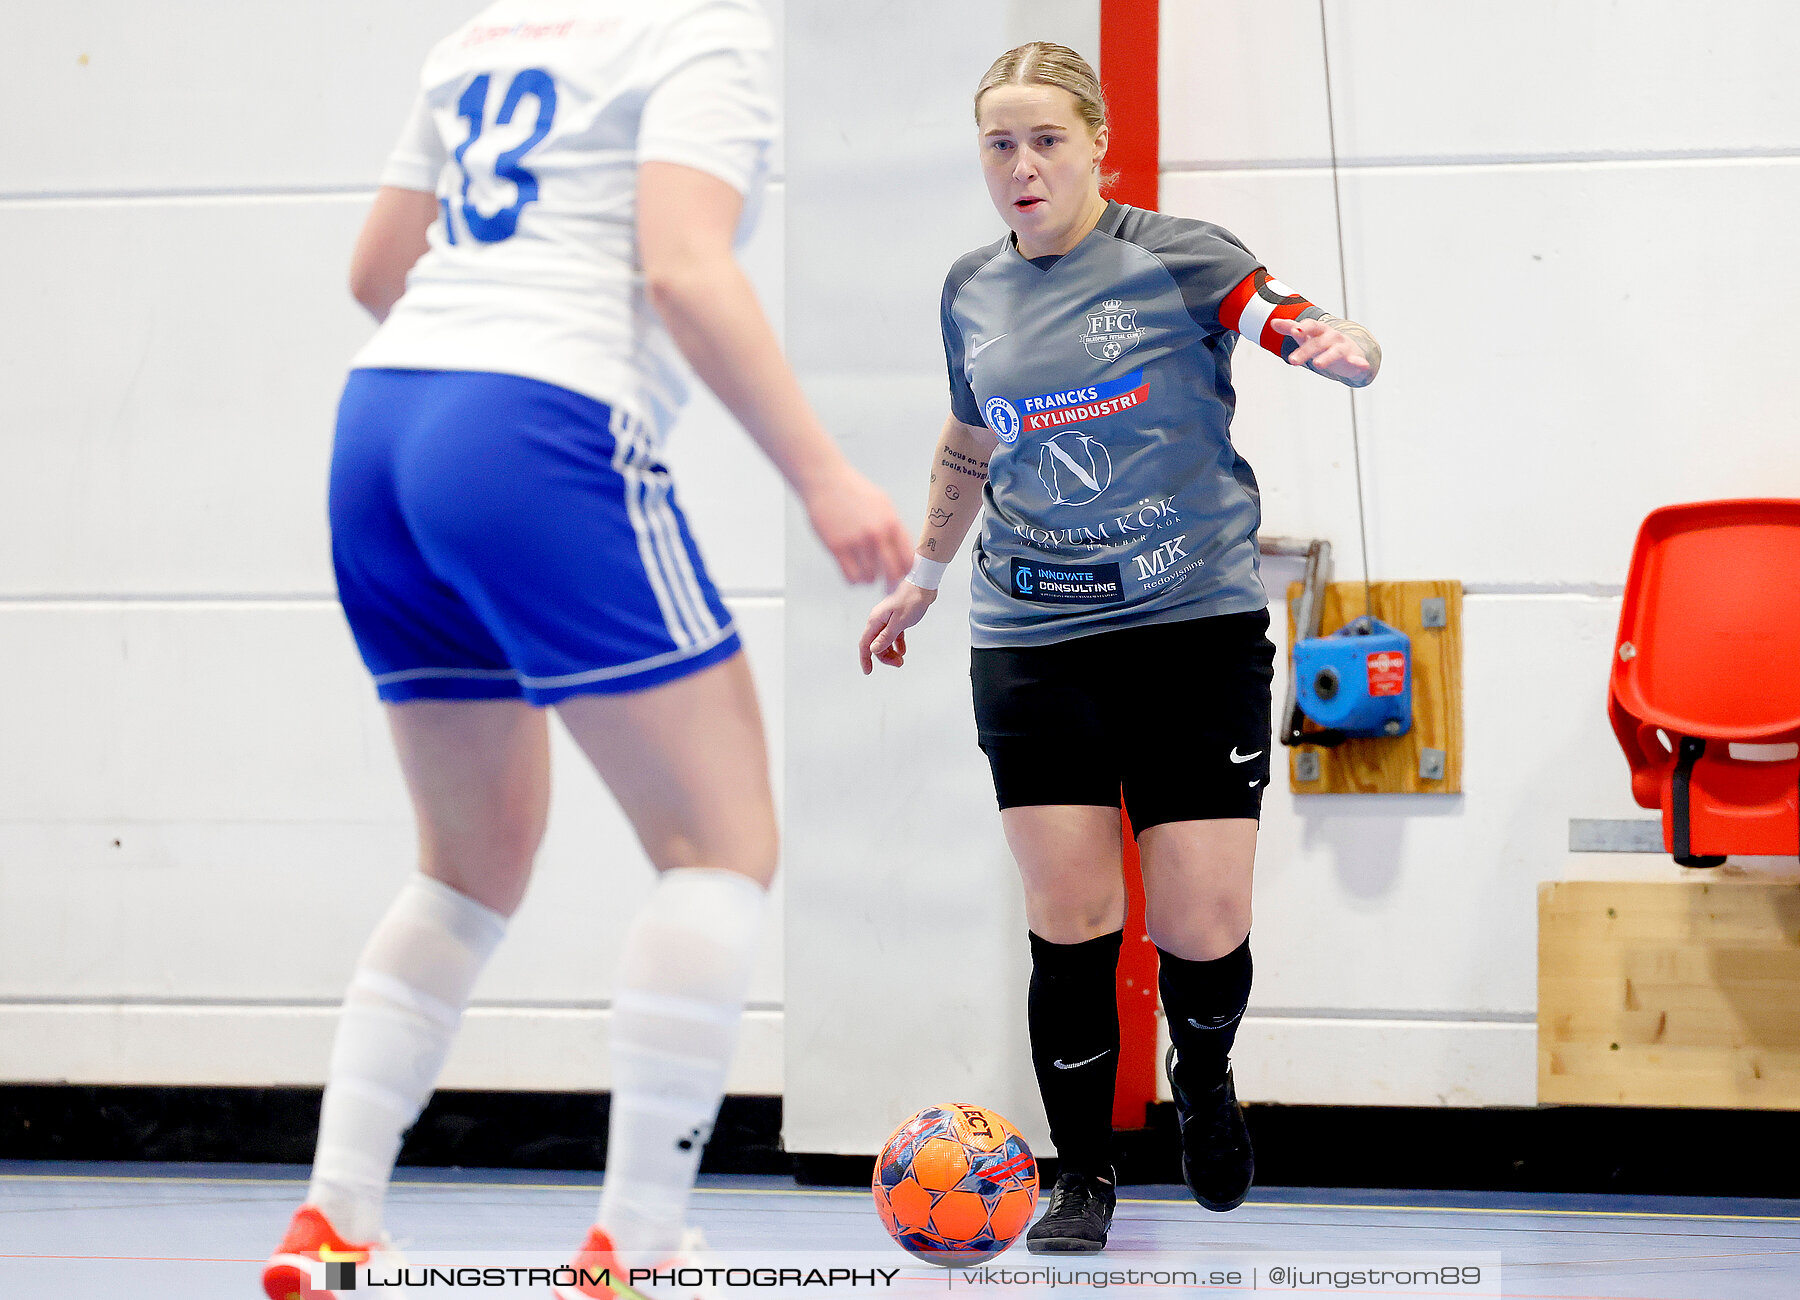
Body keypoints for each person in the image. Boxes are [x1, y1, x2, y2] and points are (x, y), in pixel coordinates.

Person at [262, 3, 912, 1297]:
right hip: (533, 429)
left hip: (382, 424)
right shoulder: (697, 40)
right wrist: (825, 475)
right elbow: (686, 268)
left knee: (468, 864)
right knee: (721, 846)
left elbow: (375, 269)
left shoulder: (483, 37)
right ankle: (640, 1240)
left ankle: (332, 1223)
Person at [858, 41, 1380, 1254]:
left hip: (1191, 624)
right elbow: (971, 438)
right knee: (1071, 907)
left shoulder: (1176, 256)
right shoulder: (969, 289)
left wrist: (1327, 340)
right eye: (1000, 145)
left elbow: (1275, 313)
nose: (1024, 166)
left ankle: (1203, 1075)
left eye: (1046, 140)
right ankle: (1081, 1174)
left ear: (1099, 144)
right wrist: (924, 577)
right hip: (1034, 634)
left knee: (1201, 922)